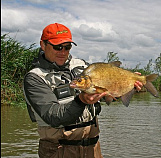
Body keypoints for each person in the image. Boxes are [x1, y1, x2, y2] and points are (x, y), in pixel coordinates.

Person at [23, 23, 143, 158]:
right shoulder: (35, 78)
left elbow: (105, 94)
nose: (63, 52)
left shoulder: (82, 66)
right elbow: (53, 116)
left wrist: (125, 86)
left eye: (67, 47)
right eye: (57, 47)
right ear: (43, 45)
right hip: (58, 150)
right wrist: (81, 101)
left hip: (93, 148)